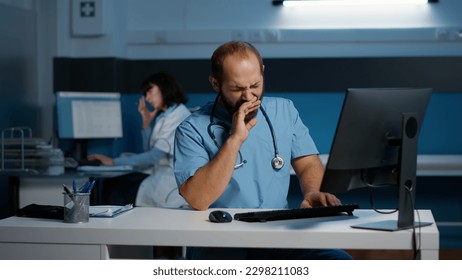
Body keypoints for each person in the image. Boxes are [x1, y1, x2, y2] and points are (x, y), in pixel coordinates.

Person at [173, 41, 353, 260]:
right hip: (220, 237)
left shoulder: (284, 111)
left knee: (340, 263)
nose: (249, 96)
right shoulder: (191, 128)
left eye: (255, 85)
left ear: (263, 72)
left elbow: (307, 163)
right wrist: (234, 139)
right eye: (237, 89)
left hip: (277, 233)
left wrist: (313, 191)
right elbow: (198, 199)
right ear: (215, 83)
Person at [89, 72, 190, 208]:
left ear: (164, 88)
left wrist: (113, 161)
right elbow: (150, 150)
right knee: (113, 182)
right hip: (158, 174)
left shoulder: (178, 117)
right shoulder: (166, 116)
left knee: (114, 187)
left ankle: (105, 224)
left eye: (149, 91)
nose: (147, 98)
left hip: (168, 182)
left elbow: (153, 156)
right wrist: (146, 125)